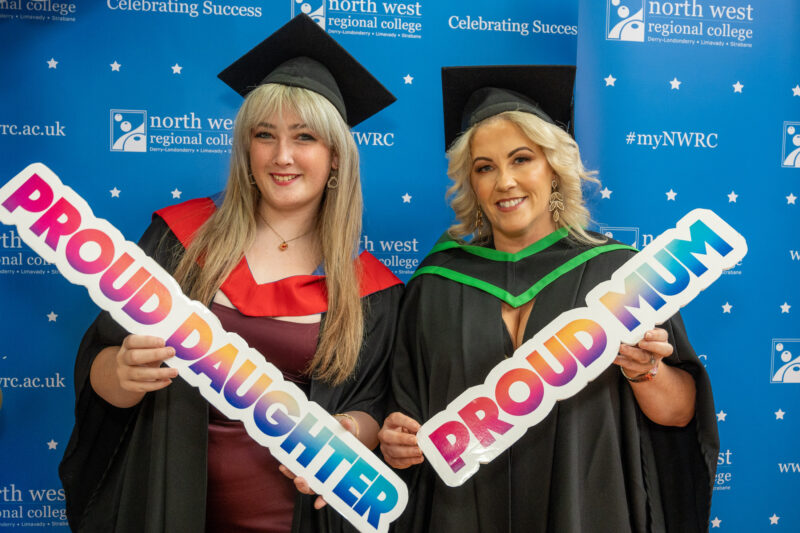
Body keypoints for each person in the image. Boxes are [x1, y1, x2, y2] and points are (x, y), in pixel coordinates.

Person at [59, 14, 402, 533]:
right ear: (247, 149)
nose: (282, 156)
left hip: (297, 517)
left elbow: (371, 407)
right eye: (265, 135)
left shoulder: (370, 290)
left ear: (336, 158)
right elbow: (98, 365)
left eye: (304, 137)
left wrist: (351, 430)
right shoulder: (180, 239)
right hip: (169, 507)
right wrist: (122, 374)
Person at [378, 65, 719, 532]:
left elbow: (680, 415)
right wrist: (396, 440)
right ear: (471, 184)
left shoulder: (617, 272)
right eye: (485, 167)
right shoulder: (437, 283)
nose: (505, 182)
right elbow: (404, 416)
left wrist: (648, 371)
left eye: (522, 159)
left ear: (554, 168)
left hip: (589, 509)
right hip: (460, 512)